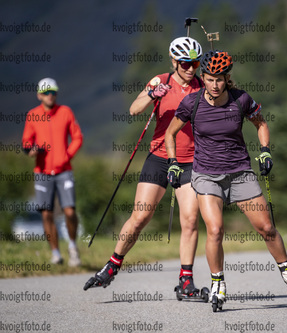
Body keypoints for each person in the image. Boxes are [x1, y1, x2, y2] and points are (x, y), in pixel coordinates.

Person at [165, 50, 287, 307]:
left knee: (266, 228)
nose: (214, 84)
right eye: (210, 79)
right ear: (204, 77)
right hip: (207, 175)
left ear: (227, 78)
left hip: (240, 173)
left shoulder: (240, 99)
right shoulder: (192, 103)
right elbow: (170, 133)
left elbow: (261, 124)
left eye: (219, 79)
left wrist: (265, 150)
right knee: (215, 229)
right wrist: (173, 163)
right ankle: (218, 284)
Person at [84, 37, 204, 295]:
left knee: (191, 219)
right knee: (140, 217)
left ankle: (185, 280)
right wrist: (152, 94)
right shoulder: (161, 80)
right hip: (160, 158)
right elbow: (133, 109)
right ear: (174, 61)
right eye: (185, 63)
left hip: (191, 161)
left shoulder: (203, 86)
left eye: (195, 62)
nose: (191, 68)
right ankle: (112, 266)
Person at [22, 77, 83, 266]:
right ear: (39, 95)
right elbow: (26, 141)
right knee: (46, 214)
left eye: (53, 92)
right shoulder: (33, 115)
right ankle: (56, 252)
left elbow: (77, 137)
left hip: (64, 170)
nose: (50, 96)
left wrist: (67, 155)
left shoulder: (65, 112)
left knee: (70, 211)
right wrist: (31, 149)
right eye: (46, 92)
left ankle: (72, 246)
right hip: (42, 171)